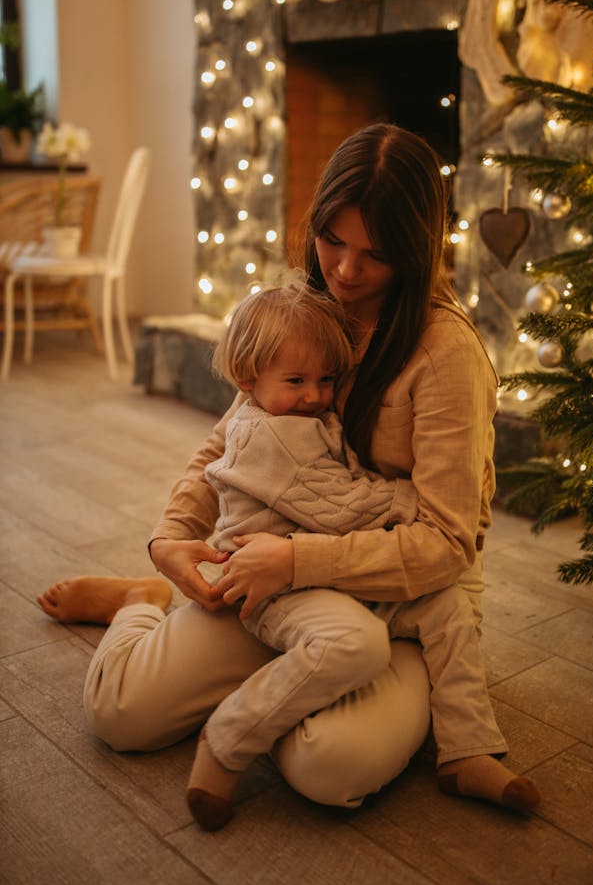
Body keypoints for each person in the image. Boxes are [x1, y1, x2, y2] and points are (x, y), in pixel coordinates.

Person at [37, 122, 540, 817]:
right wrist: (171, 537)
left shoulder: (446, 353)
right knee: (118, 713)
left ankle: (291, 681)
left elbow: (446, 544)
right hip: (279, 570)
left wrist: (296, 561)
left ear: (418, 249)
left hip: (402, 588)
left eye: (375, 252)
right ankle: (140, 603)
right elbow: (230, 440)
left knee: (325, 764)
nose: (345, 271)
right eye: (332, 239)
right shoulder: (304, 309)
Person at [184, 282, 538, 830]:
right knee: (353, 646)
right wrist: (412, 501)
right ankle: (225, 740)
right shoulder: (271, 437)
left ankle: (467, 750)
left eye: (327, 379)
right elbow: (340, 504)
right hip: (276, 588)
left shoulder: (304, 408)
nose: (316, 394)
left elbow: (358, 514)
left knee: (448, 610)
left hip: (332, 567)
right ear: (248, 381)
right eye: (297, 381)